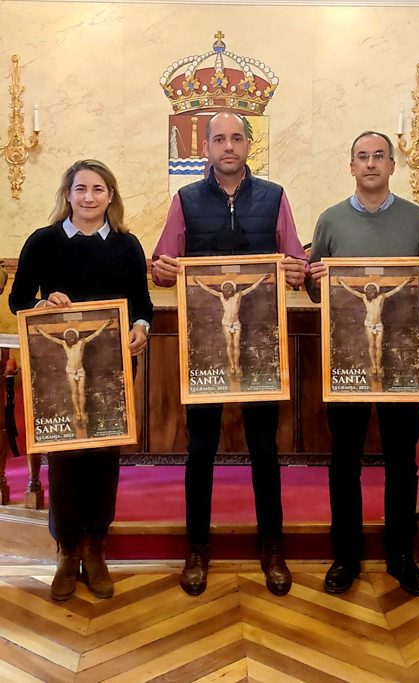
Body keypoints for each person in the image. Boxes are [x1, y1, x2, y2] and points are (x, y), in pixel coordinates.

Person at [153, 110, 308, 597]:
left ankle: (273, 547)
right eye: (219, 139)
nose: (228, 146)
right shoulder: (185, 200)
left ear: (247, 145)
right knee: (199, 449)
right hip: (204, 345)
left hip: (261, 343)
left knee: (265, 449)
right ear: (206, 147)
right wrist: (161, 270)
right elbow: (162, 266)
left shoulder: (274, 197)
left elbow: (298, 264)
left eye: (236, 138)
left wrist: (296, 272)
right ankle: (197, 548)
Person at [10, 159, 153, 601]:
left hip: (113, 369)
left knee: (105, 455)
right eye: (80, 189)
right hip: (57, 370)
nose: (89, 197)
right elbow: (18, 300)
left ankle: (95, 547)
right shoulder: (43, 241)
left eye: (98, 189)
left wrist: (141, 328)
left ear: (111, 196)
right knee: (66, 458)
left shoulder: (127, 245)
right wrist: (40, 304)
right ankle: (67, 551)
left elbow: (143, 304)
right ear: (67, 195)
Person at [307, 131, 419, 597]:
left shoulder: (417, 218)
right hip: (345, 360)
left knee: (401, 461)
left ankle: (401, 555)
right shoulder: (330, 220)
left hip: (402, 360)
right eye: (362, 156)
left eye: (378, 156)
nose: (370, 163)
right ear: (351, 166)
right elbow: (314, 289)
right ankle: (345, 555)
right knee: (344, 460)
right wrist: (314, 280)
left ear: (391, 165)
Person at [335, 275, 414, 382]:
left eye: (373, 289)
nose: (371, 292)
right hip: (369, 324)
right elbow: (351, 291)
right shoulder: (365, 298)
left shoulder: (381, 297)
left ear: (376, 290)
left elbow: (396, 290)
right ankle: (373, 365)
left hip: (378, 324)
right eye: (369, 289)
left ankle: (379, 365)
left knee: (378, 346)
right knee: (371, 345)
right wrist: (342, 282)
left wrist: (405, 281)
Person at [36, 320, 113, 425]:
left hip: (80, 370)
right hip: (71, 370)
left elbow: (95, 334)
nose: (71, 337)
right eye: (68, 335)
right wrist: (40, 330)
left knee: (81, 391)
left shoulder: (81, 343)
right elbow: (51, 338)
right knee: (74, 392)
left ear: (76, 336)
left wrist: (104, 325)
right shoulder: (65, 344)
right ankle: (77, 412)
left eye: (72, 335)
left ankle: (82, 411)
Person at [193, 273, 269, 376]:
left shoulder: (238, 295)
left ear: (233, 288)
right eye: (226, 287)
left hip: (236, 323)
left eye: (230, 287)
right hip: (226, 323)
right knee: (229, 345)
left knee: (236, 345)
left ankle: (236, 365)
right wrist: (198, 281)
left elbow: (252, 288)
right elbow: (209, 290)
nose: (228, 289)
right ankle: (232, 365)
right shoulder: (222, 296)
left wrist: (261, 279)